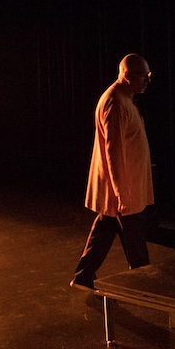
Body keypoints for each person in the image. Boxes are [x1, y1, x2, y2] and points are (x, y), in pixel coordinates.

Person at [71, 53, 155, 288]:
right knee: (135, 241)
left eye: (149, 75)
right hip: (123, 188)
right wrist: (121, 193)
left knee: (105, 230)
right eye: (143, 76)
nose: (147, 80)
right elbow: (113, 151)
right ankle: (144, 283)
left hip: (123, 187)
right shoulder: (116, 102)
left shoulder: (124, 98)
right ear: (127, 76)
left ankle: (83, 276)